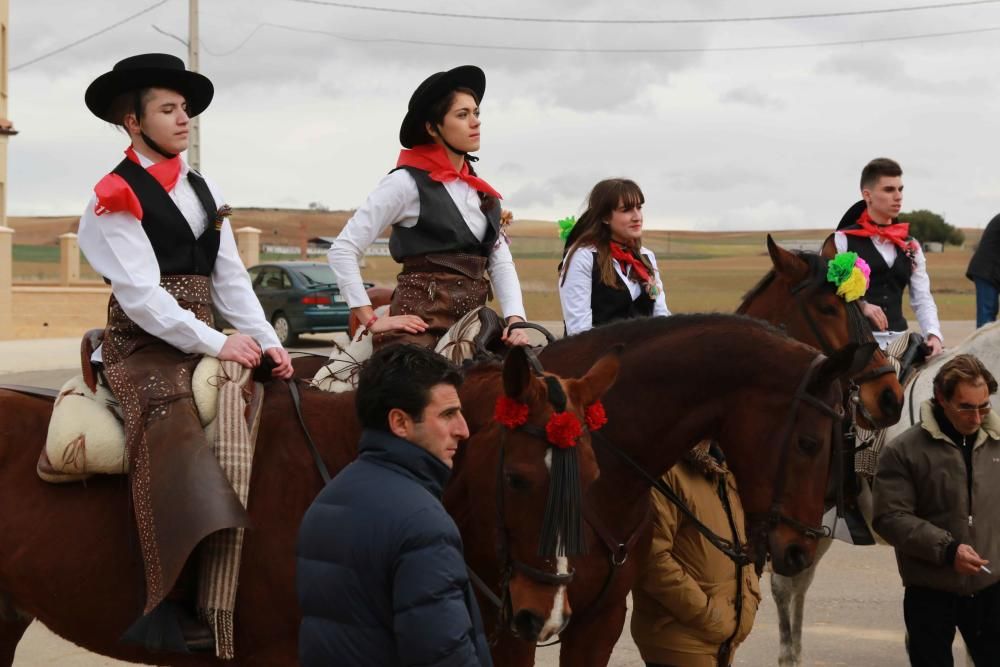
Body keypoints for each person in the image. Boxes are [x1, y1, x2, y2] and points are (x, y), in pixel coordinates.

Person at [78, 53, 293, 650]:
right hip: (141, 344)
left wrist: (270, 344)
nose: (183, 119)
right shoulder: (114, 194)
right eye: (168, 109)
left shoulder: (204, 188)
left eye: (186, 109)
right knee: (168, 414)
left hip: (201, 333)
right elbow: (143, 297)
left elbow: (230, 282)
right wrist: (218, 340)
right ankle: (167, 596)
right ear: (132, 122)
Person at [296, 344, 491, 667]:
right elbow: (443, 654)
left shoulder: (325, 502)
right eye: (447, 414)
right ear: (400, 422)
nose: (463, 430)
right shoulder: (423, 523)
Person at [328, 65, 529, 349]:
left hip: (475, 327)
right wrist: (370, 318)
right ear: (433, 128)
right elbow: (342, 250)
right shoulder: (404, 183)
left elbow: (500, 262)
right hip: (418, 329)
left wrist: (516, 319)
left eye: (476, 113)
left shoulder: (483, 194)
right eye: (462, 115)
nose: (475, 122)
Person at [873, 354, 1000, 666]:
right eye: (966, 407)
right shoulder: (902, 451)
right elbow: (890, 518)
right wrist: (948, 550)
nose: (976, 417)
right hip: (929, 593)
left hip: (991, 593)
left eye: (984, 406)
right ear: (942, 399)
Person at [631, 441, 760, 667]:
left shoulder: (723, 467)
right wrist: (709, 616)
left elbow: (739, 543)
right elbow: (652, 560)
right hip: (680, 640)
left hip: (716, 640)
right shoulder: (666, 470)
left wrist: (750, 596)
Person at [828, 157, 943, 357]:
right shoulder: (842, 241)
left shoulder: (911, 246)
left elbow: (922, 297)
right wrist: (861, 305)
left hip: (901, 343)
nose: (898, 196)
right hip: (856, 344)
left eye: (900, 189)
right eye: (889, 190)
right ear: (867, 195)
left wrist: (933, 334)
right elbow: (828, 294)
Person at [558, 178, 670, 335]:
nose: (637, 217)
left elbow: (661, 318)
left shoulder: (646, 257)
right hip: (596, 356)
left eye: (639, 208)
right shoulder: (584, 257)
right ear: (604, 217)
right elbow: (578, 331)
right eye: (626, 210)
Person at [966, 213, 1000, 327]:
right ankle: (982, 344)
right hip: (986, 270)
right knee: (987, 317)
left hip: (993, 270)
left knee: (989, 313)